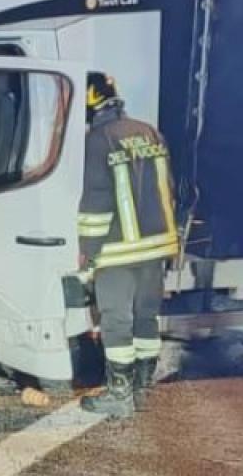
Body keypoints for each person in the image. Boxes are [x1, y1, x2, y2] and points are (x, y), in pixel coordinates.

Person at [77, 72, 178, 417]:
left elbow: (95, 202)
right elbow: (169, 188)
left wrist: (88, 255)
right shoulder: (150, 132)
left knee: (116, 319)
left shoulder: (98, 139)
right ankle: (141, 388)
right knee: (146, 317)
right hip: (156, 246)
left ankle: (119, 395)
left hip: (118, 251)